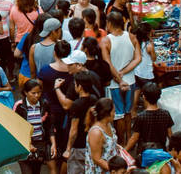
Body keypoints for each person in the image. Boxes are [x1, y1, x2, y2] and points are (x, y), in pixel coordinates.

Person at [101, 11, 141, 139]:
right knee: (128, 112)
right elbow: (138, 58)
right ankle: (128, 138)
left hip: (114, 84)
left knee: (119, 114)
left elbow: (107, 63)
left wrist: (119, 79)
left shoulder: (106, 41)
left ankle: (121, 142)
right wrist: (124, 73)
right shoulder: (131, 37)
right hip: (130, 81)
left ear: (109, 23)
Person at [40, 40, 74, 174]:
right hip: (67, 113)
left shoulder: (45, 70)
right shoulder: (72, 72)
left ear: (54, 53)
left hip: (50, 112)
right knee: (65, 140)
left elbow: (39, 89)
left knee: (51, 139)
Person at [125, 82, 173, 164]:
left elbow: (134, 138)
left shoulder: (141, 117)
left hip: (144, 155)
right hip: (161, 153)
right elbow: (170, 135)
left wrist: (124, 150)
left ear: (144, 97)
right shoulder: (165, 114)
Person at [62, 70, 98, 174]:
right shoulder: (94, 99)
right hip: (91, 143)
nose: (74, 86)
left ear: (80, 87)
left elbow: (74, 129)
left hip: (78, 145)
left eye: (75, 84)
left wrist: (68, 149)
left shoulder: (76, 105)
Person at [15, 79, 54, 174]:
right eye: (33, 93)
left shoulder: (44, 104)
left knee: (36, 171)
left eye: (39, 92)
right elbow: (16, 128)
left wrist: (53, 144)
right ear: (26, 92)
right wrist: (28, 144)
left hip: (39, 145)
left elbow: (50, 126)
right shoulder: (19, 106)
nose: (37, 95)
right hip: (24, 145)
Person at [85, 98, 118, 174]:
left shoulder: (108, 124)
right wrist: (115, 171)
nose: (114, 114)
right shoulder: (96, 133)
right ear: (107, 114)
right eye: (113, 111)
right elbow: (97, 159)